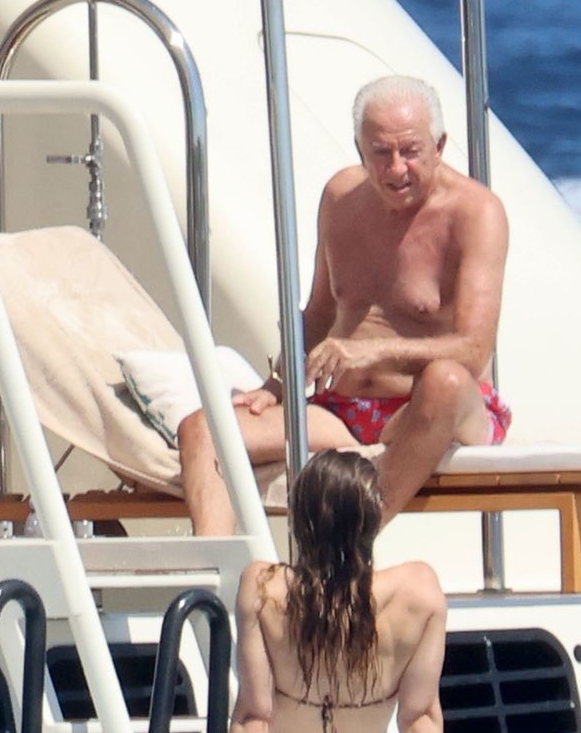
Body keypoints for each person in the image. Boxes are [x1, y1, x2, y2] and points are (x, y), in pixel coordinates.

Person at [178, 74, 509, 536]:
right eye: (381, 152)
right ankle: (214, 574)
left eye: (411, 151)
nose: (396, 168)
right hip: (343, 412)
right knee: (200, 430)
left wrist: (371, 351)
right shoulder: (341, 198)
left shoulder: (476, 213)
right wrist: (277, 386)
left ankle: (348, 547)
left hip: (427, 411)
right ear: (359, 150)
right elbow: (319, 313)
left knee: (447, 380)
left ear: (439, 146)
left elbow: (474, 350)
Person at [202, 449, 496, 733]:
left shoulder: (264, 588)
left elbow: (255, 715)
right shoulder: (418, 592)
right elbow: (420, 715)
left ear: (298, 518)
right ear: (373, 519)